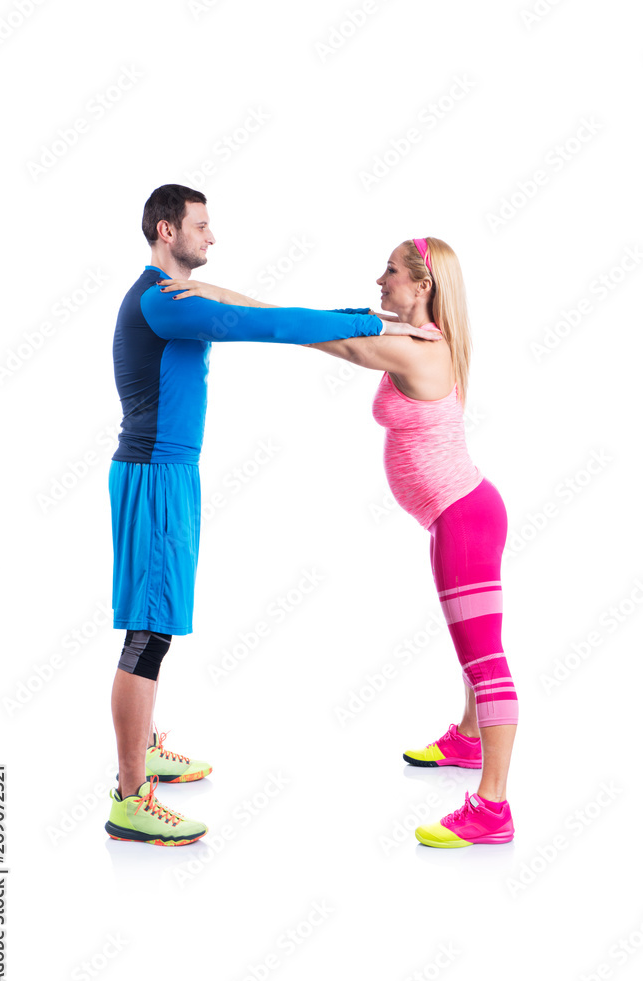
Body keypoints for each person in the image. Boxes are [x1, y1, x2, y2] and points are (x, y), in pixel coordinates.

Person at [159, 236, 518, 849]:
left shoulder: (416, 352)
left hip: (465, 519)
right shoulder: (423, 339)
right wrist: (217, 296)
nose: (380, 281)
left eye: (391, 272)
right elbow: (313, 324)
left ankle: (493, 808)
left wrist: (216, 299)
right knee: (470, 644)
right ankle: (466, 738)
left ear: (423, 286)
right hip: (454, 517)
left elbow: (309, 333)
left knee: (485, 661)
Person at [106, 184, 422, 847]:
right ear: (167, 231)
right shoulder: (165, 302)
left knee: (156, 620)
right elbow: (270, 327)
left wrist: (369, 320)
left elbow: (264, 307)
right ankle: (131, 797)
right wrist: (378, 322)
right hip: (157, 478)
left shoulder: (175, 296)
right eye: (201, 225)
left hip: (166, 474)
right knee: (149, 632)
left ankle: (145, 749)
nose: (212, 237)